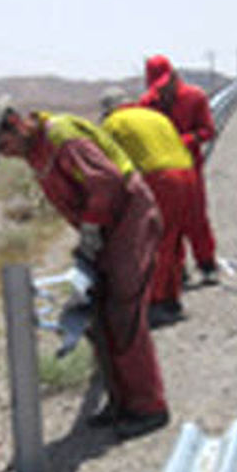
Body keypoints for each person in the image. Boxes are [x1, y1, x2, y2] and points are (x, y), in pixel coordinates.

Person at [0, 98, 169, 438]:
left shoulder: (61, 136)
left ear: (15, 123)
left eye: (3, 146)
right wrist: (90, 233)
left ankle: (149, 408)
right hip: (107, 226)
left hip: (128, 217)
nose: (7, 155)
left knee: (123, 314)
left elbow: (106, 183)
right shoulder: (36, 149)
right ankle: (122, 402)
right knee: (98, 313)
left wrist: (91, 228)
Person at [99, 88, 196, 327]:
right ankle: (172, 300)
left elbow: (108, 165)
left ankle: (155, 304)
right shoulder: (156, 116)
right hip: (187, 175)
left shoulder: (113, 123)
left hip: (159, 178)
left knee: (152, 241)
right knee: (173, 241)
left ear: (109, 110)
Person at [139, 54, 220, 285]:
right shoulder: (147, 104)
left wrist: (182, 141)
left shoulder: (195, 97)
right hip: (161, 173)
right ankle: (177, 269)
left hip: (190, 169)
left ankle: (207, 265)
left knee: (196, 219)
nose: (161, 92)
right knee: (167, 223)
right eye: (157, 88)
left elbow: (207, 130)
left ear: (174, 77)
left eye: (164, 86)